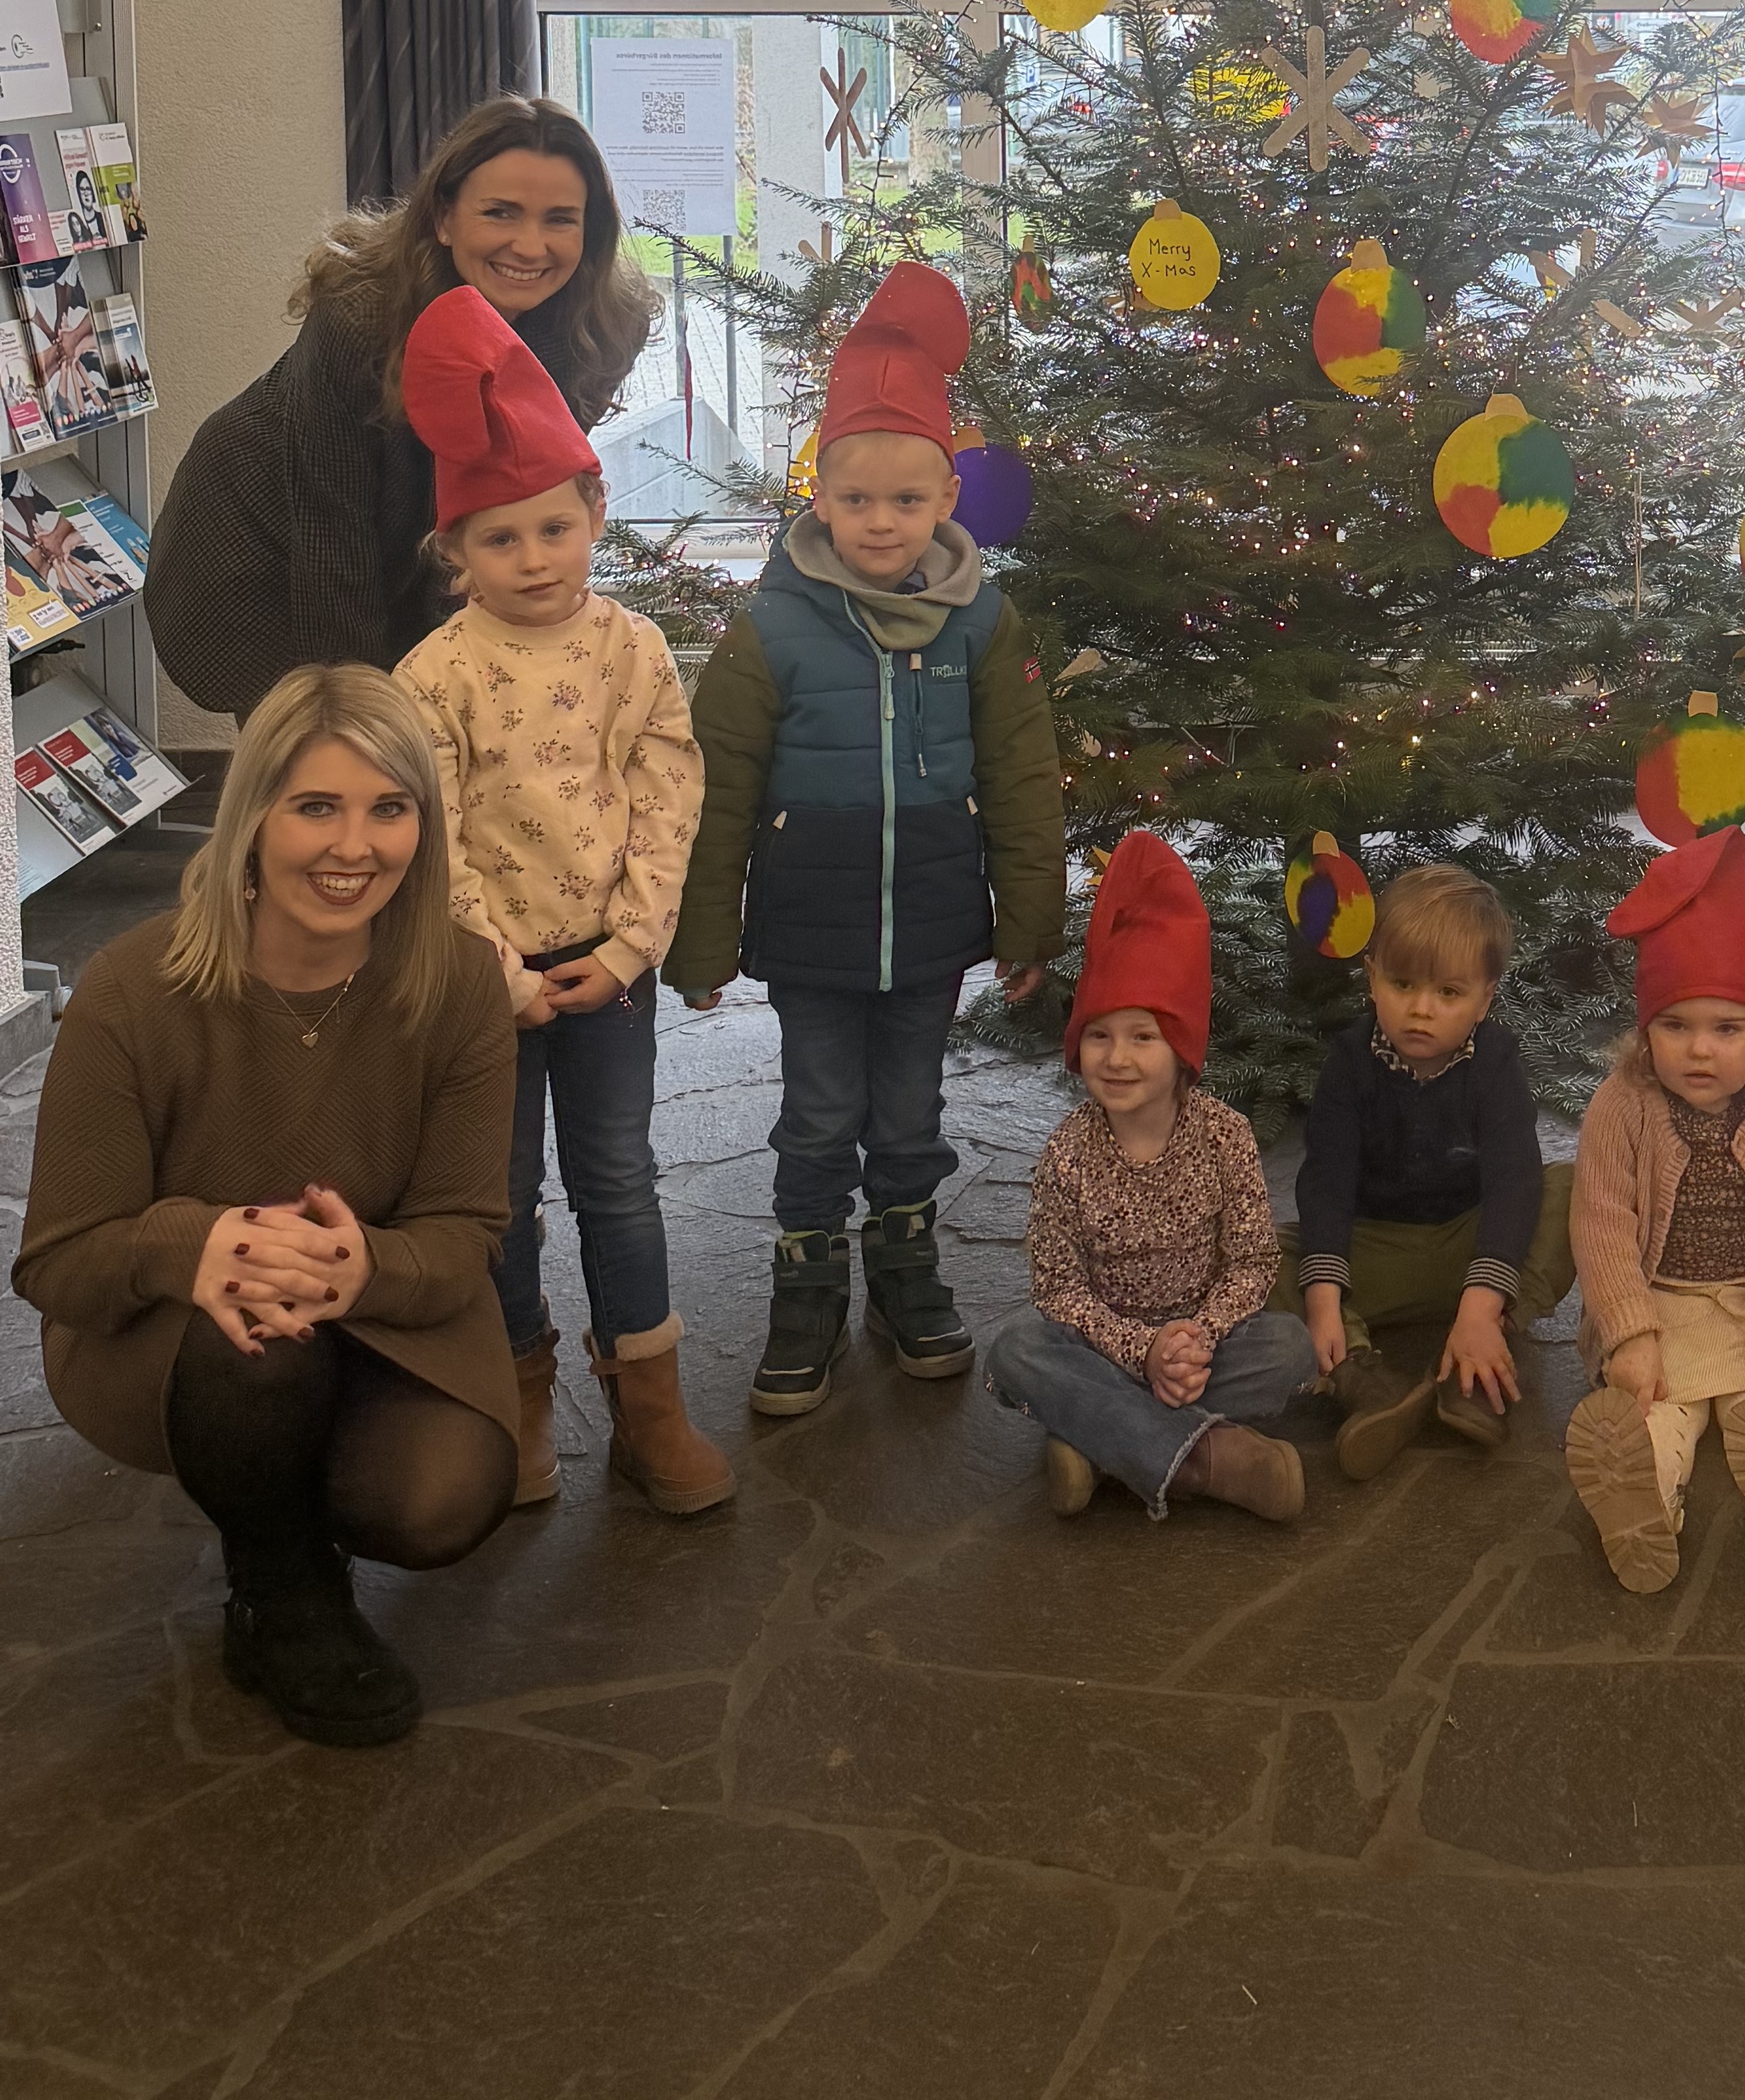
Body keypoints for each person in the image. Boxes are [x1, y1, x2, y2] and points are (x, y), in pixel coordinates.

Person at [11, 667, 522, 1746]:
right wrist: (197, 1241)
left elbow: (465, 1229)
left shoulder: (461, 982)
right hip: (172, 1326)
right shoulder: (132, 987)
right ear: (252, 816)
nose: (355, 847)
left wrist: (356, 1272)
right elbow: (56, 1261)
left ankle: (279, 1484)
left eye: (390, 809)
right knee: (259, 1353)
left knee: (440, 1500)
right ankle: (282, 1584)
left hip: (378, 1299)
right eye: (316, 807)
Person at [668, 262, 1065, 1418]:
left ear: (945, 495)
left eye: (905, 501)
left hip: (931, 921)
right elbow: (717, 788)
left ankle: (904, 1268)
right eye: (856, 502)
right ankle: (808, 1287)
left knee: (909, 1116)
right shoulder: (774, 626)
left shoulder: (982, 622)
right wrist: (701, 941)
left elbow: (1021, 775)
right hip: (811, 928)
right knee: (817, 1115)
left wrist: (1027, 920)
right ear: (820, 497)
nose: (881, 524)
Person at [393, 288, 727, 1516]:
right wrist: (496, 970)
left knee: (619, 1181)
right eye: (498, 539)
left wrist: (633, 944)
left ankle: (650, 1408)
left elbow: (665, 789)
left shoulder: (630, 648)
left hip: (605, 971)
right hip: (486, 985)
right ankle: (517, 1395)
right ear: (456, 552)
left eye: (552, 527)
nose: (532, 559)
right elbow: (427, 834)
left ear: (594, 510)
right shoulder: (433, 676)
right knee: (499, 1200)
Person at [145, 94, 654, 719]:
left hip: (410, 542)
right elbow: (332, 541)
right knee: (323, 757)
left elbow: (517, 499)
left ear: (591, 229)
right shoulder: (362, 318)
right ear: (443, 217)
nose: (530, 245)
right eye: (500, 212)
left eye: (560, 219)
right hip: (264, 543)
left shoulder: (602, 330)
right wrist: (367, 720)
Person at [984, 833, 1317, 1522]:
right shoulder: (1066, 1154)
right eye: (1100, 1036)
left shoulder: (1226, 1135)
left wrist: (1196, 1336)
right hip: (1101, 1349)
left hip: (1206, 1349)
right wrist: (1144, 1350)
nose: (1118, 1058)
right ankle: (1207, 1461)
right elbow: (1059, 1290)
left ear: (1181, 1050)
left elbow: (1253, 1261)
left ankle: (1099, 1442)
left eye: (1142, 1037)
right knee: (1018, 1352)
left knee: (1290, 1348)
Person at [1564, 826, 1745, 1599]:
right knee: (1655, 1409)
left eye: (1727, 1029)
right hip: (1662, 1304)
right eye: (1675, 1026)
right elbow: (1602, 1226)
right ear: (1644, 1030)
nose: (1699, 1051)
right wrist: (1629, 1332)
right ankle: (1644, 1499)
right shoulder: (1620, 1107)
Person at [1278, 864, 1576, 1480]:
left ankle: (1479, 1356)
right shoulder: (1350, 1063)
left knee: (1571, 1189)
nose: (1420, 1009)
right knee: (1259, 1250)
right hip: (1376, 1251)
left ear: (1486, 996)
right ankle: (1362, 1378)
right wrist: (1325, 1299)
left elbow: (1514, 1182)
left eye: (1448, 993)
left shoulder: (1495, 1063)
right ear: (1372, 977)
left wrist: (1481, 1307)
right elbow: (1327, 1179)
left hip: (1470, 1248)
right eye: (1403, 983)